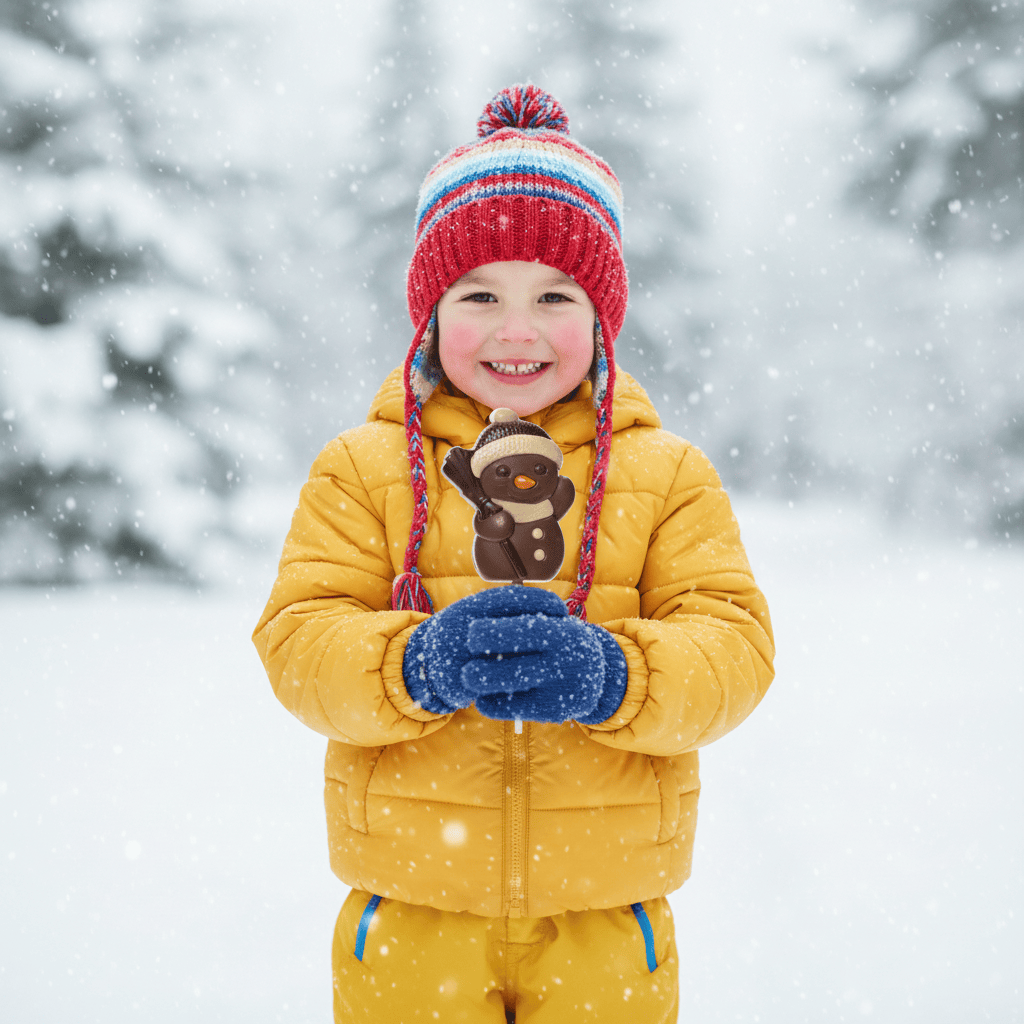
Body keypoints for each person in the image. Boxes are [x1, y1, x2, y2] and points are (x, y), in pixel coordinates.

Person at [253, 83, 775, 1023]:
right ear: (431, 310)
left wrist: (618, 676)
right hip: (411, 908)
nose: (518, 328)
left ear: (601, 315)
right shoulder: (365, 468)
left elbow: (735, 648)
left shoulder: (667, 474)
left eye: (555, 295)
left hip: (605, 913)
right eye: (481, 293)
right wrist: (412, 664)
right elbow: (299, 641)